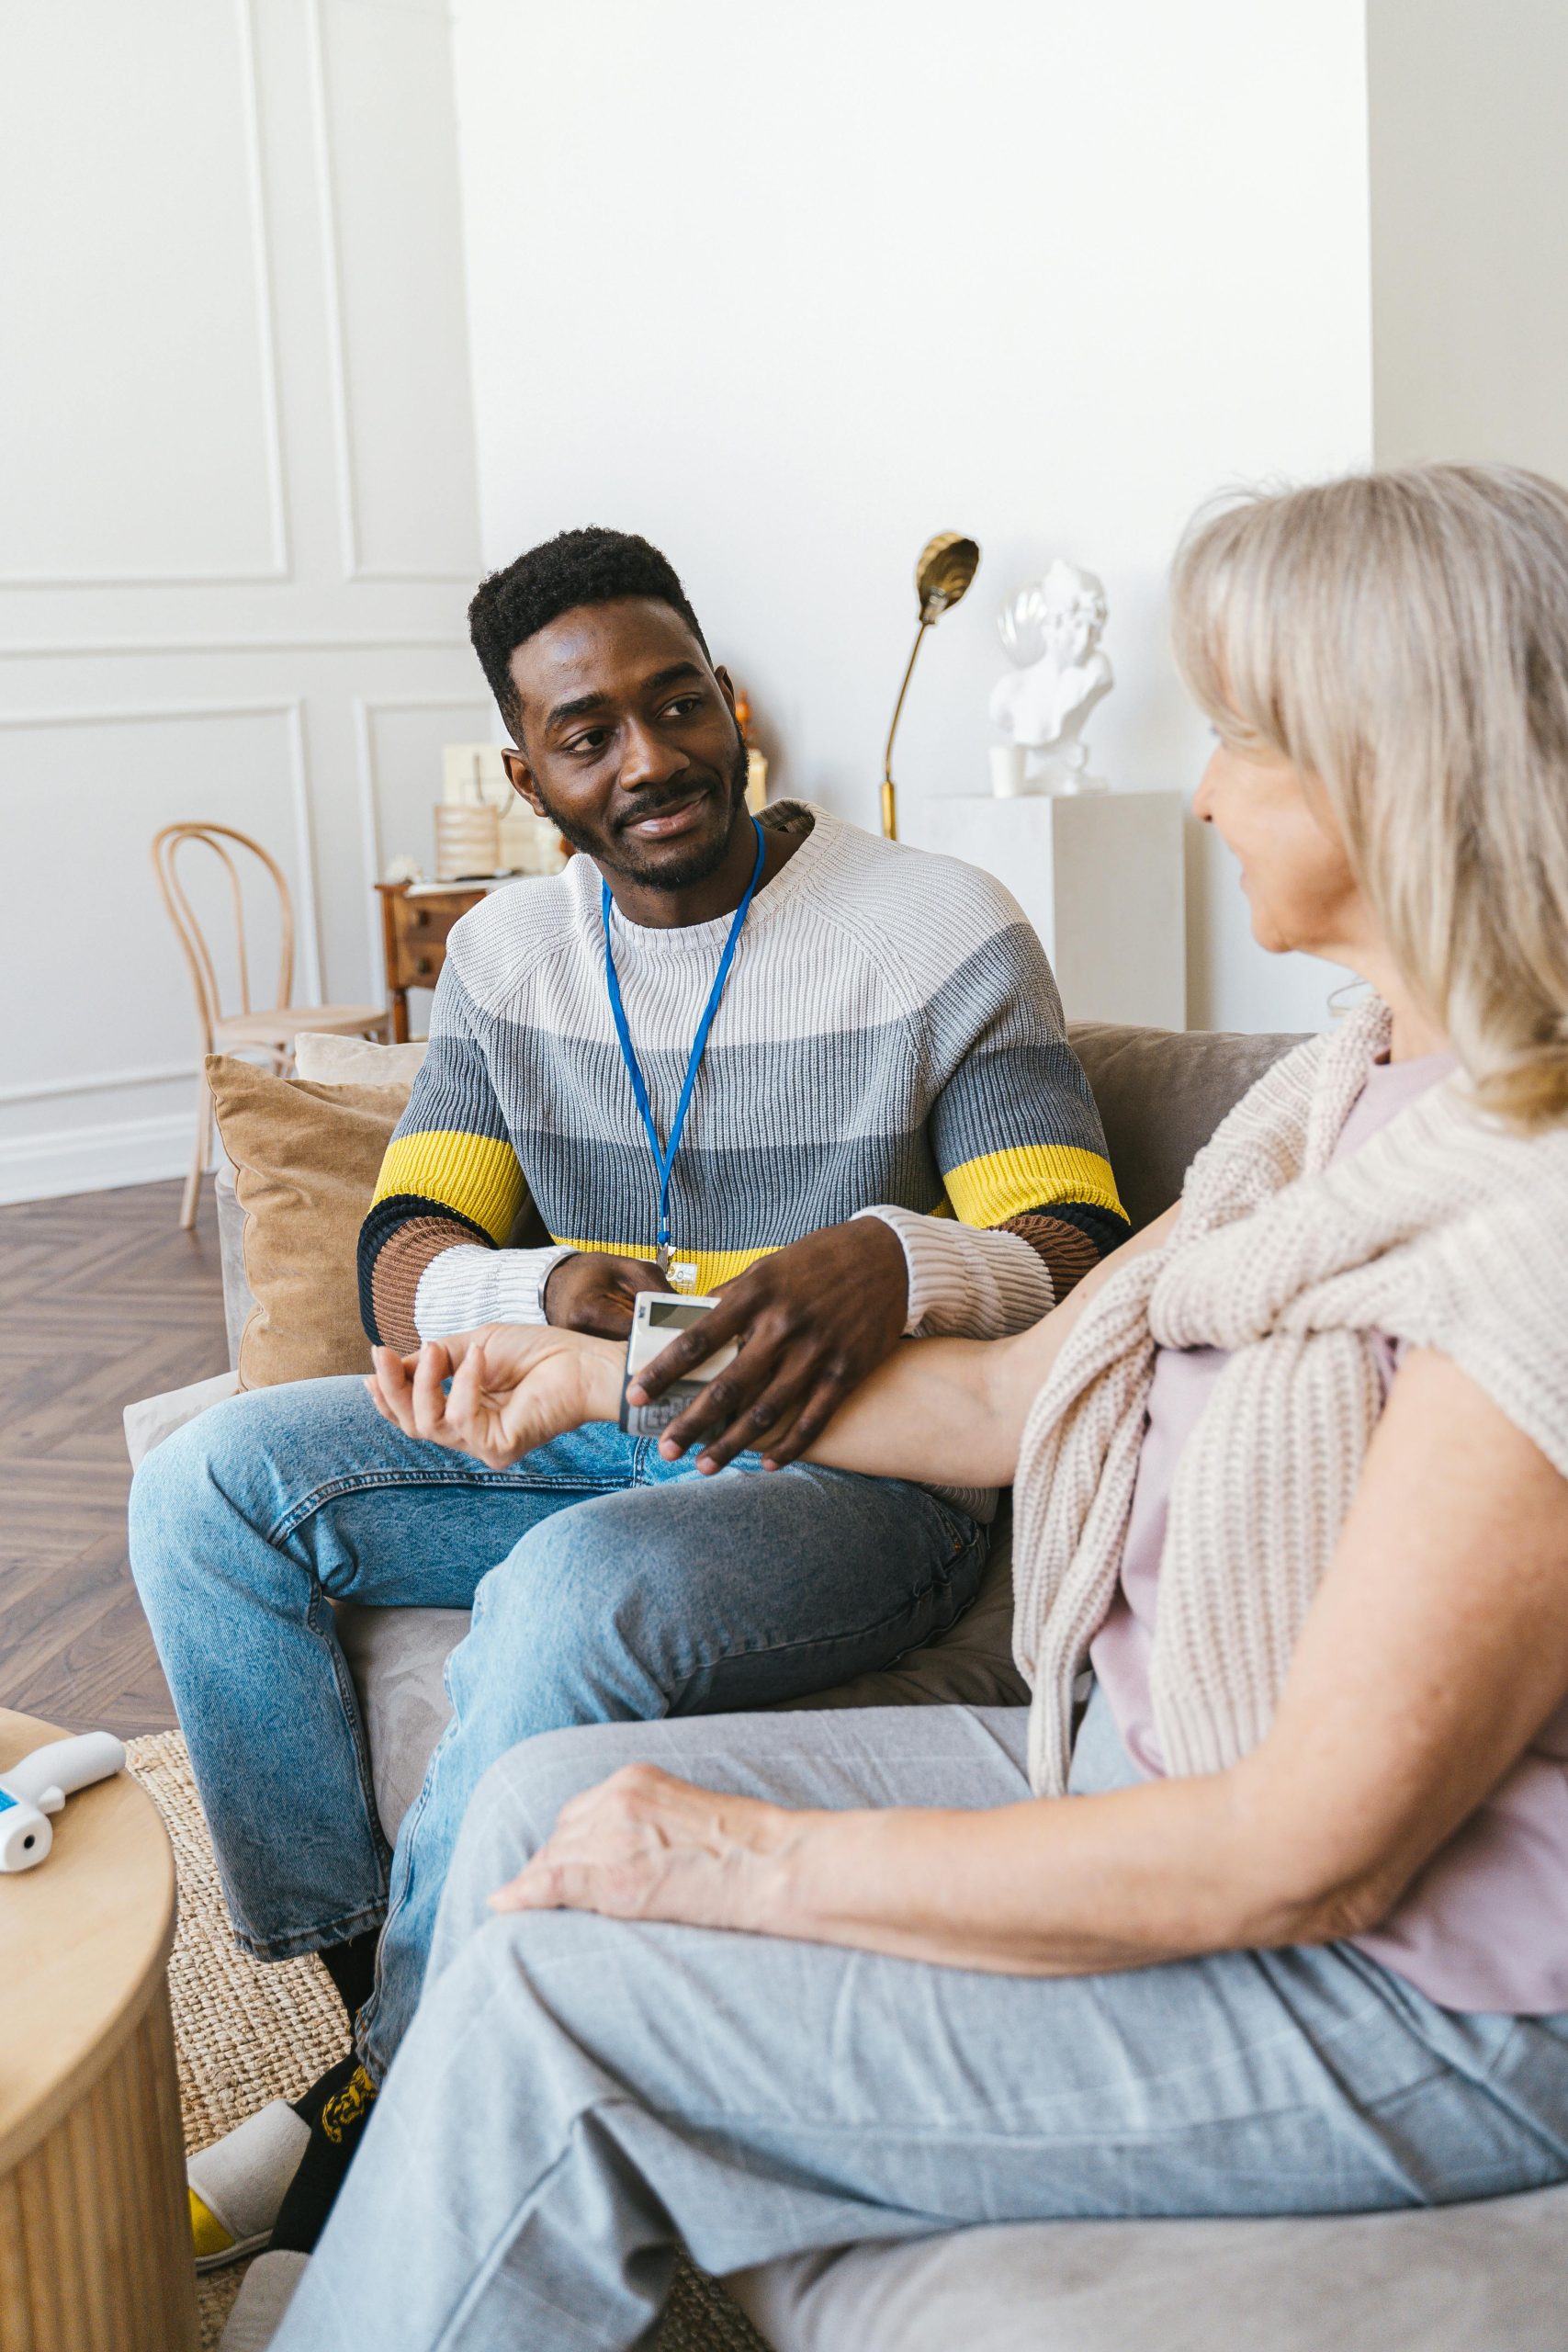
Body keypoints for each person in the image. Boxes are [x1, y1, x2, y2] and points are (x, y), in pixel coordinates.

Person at [254, 465, 1568, 2351]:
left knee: (573, 1982)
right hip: (1143, 1762)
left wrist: (754, 1859)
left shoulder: (1522, 1229)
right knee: (541, 1793)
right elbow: (1025, 1394)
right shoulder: (1340, 1089)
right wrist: (607, 1368)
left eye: (1244, 737)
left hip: (1417, 1989)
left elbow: (1310, 1843)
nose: (1198, 788)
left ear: (1397, 766)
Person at [129, 527, 1125, 2264]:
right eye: (588, 735)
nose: (650, 757)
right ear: (530, 776)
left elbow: (1071, 1240)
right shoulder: (511, 959)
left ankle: (381, 2117)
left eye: (678, 704)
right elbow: (406, 1249)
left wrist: (896, 1258)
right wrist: (541, 1291)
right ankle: (382, 2018)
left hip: (850, 1480)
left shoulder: (940, 926)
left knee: (572, 1591)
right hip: (574, 1422)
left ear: (725, 700)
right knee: (202, 1487)